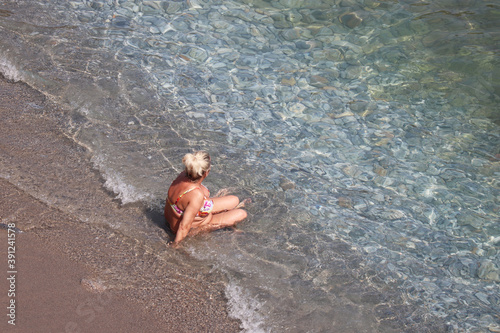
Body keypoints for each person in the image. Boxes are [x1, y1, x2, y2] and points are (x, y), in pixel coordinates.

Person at [164, 151, 248, 245]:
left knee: (234, 200)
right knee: (242, 214)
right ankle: (203, 229)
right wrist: (175, 245)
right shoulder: (196, 195)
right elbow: (184, 226)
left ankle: (221, 210)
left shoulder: (183, 175)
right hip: (195, 225)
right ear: (206, 173)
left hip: (184, 212)